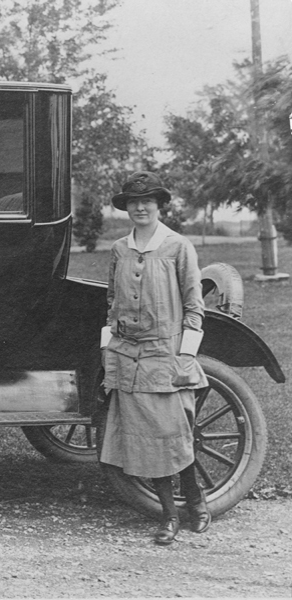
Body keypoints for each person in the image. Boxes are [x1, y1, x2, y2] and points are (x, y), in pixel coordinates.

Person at [99, 171, 211, 546]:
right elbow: (112, 302)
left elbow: (194, 307)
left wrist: (184, 355)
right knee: (146, 441)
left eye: (148, 201)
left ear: (160, 205)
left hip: (166, 356)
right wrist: (107, 347)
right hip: (128, 357)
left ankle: (195, 499)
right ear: (126, 207)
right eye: (133, 201)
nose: (141, 207)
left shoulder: (178, 247)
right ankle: (169, 515)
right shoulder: (119, 249)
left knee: (172, 435)